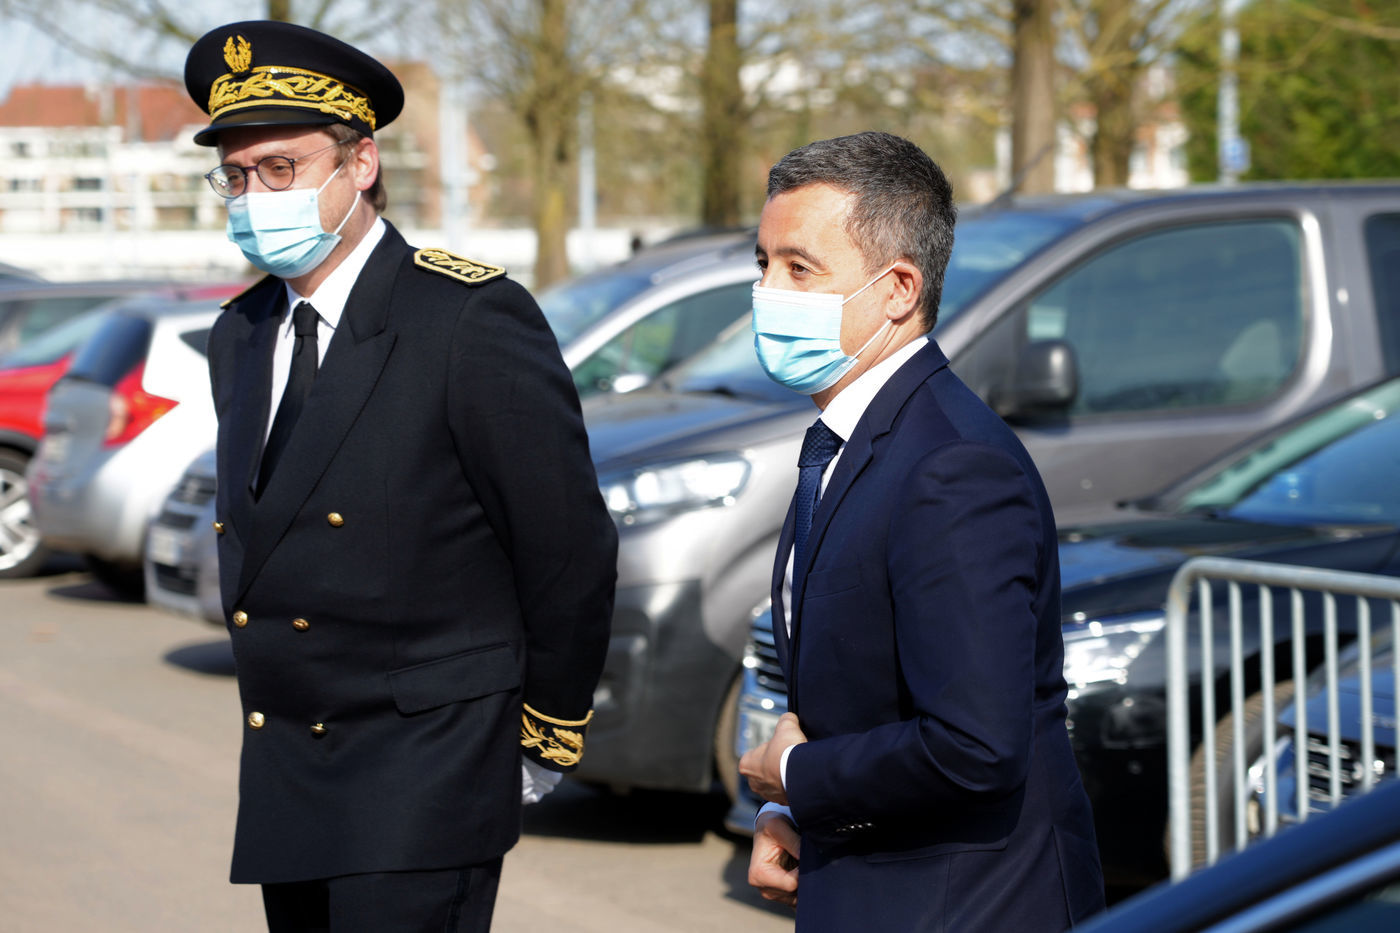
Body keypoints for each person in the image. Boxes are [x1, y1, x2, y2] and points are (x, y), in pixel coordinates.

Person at [183, 21, 617, 932]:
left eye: (280, 168)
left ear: (362, 163)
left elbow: (565, 545)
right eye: (236, 175)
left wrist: (546, 727)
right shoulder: (241, 333)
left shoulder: (466, 317)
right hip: (290, 765)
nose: (255, 195)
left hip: (426, 767)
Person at [738, 132, 1105, 931]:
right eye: (762, 264)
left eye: (799, 268)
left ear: (898, 289)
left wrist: (795, 772)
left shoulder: (953, 465)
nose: (767, 291)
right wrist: (794, 814)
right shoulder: (852, 437)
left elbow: (974, 744)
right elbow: (864, 697)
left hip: (963, 905)